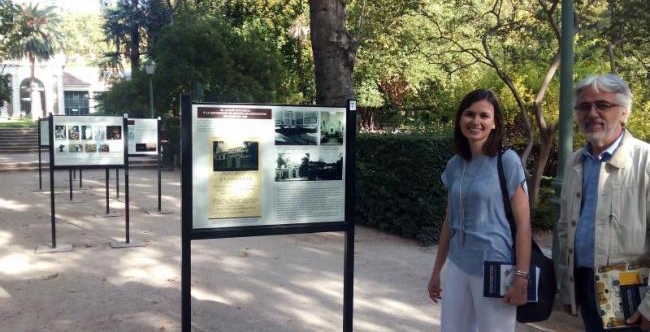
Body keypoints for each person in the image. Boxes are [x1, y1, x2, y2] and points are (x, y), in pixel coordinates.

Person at [427, 89, 532, 332]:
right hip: (458, 263)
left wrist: (521, 277)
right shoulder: (455, 164)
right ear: (460, 119)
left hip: (496, 266)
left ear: (494, 123)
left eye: (484, 116)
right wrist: (436, 271)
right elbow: (449, 221)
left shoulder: (507, 161)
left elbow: (524, 224)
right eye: (469, 114)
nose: (476, 121)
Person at [557, 74, 650, 332]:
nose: (592, 113)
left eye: (602, 105)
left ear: (624, 112)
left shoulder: (646, 161)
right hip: (586, 284)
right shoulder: (575, 162)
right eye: (584, 106)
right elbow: (565, 228)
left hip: (636, 293)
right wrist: (569, 288)